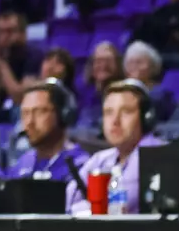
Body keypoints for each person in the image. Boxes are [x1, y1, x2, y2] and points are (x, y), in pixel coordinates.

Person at [65, 80, 164, 214]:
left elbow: (126, 204)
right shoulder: (100, 159)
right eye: (108, 112)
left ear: (146, 117)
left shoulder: (159, 154)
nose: (115, 121)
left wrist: (91, 207)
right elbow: (69, 200)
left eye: (126, 112)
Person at [7, 81, 84, 179]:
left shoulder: (81, 166)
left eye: (39, 112)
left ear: (62, 115)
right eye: (25, 113)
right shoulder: (22, 164)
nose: (30, 122)